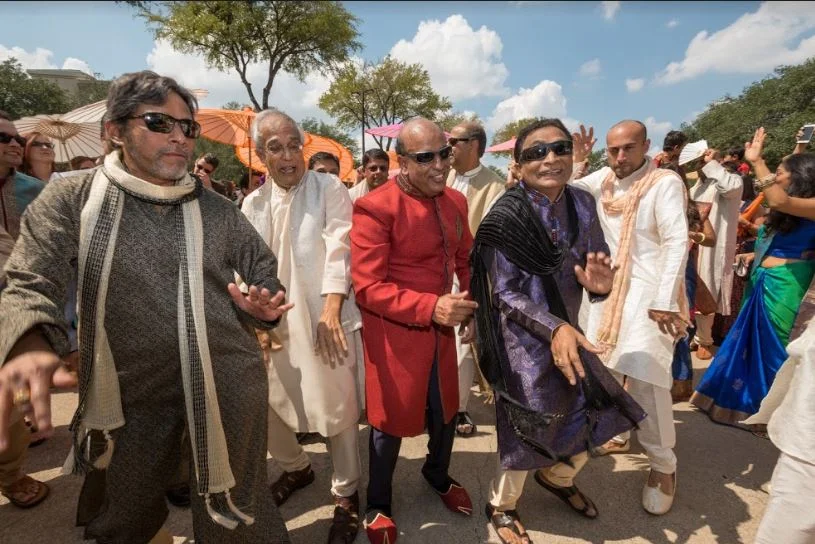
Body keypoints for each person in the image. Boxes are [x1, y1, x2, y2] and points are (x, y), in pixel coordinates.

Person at [0, 71, 293, 543]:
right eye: (159, 122)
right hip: (127, 394)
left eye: (187, 127)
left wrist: (266, 302)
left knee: (238, 509)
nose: (179, 136)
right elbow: (31, 279)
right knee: (127, 511)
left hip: (225, 381)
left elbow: (262, 266)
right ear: (114, 130)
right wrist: (30, 342)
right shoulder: (71, 197)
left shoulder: (216, 208)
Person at [471, 118, 645, 543]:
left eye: (559, 148)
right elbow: (505, 294)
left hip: (570, 330)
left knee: (593, 410)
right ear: (519, 163)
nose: (550, 158)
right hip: (520, 339)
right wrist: (554, 329)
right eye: (536, 152)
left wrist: (600, 289)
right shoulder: (506, 214)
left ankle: (558, 477)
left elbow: (596, 266)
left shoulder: (583, 204)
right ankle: (502, 505)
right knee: (528, 421)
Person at [351, 117, 475, 544]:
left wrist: (471, 308)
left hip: (444, 331)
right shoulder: (375, 206)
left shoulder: (456, 201)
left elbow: (465, 260)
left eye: (444, 153)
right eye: (426, 158)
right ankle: (378, 502)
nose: (440, 164)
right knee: (388, 425)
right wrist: (430, 307)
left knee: (445, 412)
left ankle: (437, 474)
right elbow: (367, 288)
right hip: (396, 334)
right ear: (400, 162)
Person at [241, 109, 363, 544]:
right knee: (270, 404)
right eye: (277, 147)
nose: (289, 155)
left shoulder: (328, 187)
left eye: (296, 145)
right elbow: (246, 268)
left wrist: (331, 309)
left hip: (323, 317)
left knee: (336, 407)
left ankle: (347, 493)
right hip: (274, 324)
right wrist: (254, 316)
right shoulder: (251, 204)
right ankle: (296, 468)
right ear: (260, 155)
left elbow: (340, 246)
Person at [571, 120, 689, 516]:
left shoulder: (664, 183)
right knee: (601, 369)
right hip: (607, 292)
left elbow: (676, 239)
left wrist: (666, 298)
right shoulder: (603, 179)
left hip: (651, 292)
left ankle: (663, 466)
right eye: (613, 150)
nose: (620, 157)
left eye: (628, 149)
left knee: (644, 375)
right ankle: (619, 431)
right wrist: (579, 161)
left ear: (646, 147)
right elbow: (568, 190)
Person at [691, 129, 815, 431]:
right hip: (761, 277)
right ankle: (735, 404)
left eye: (781, 173)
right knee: (745, 343)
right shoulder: (789, 207)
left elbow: (779, 199)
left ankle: (771, 415)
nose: (776, 175)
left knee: (773, 346)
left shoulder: (808, 205)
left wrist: (757, 162)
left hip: (786, 284)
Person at [0, 110, 51, 510]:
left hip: (16, 314)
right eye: (4, 138)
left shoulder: (33, 190)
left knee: (12, 400)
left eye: (17, 138)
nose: (14, 144)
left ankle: (11, 474)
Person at [447, 121, 506, 437]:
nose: (449, 146)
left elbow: (491, 242)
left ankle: (457, 410)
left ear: (474, 145)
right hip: (433, 275)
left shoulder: (494, 188)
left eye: (455, 140)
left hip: (467, 276)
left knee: (460, 348)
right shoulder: (441, 177)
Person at [684, 148, 743, 360]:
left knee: (707, 292)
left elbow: (728, 187)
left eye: (700, 162)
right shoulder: (696, 188)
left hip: (712, 247)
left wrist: (712, 163)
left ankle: (705, 340)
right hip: (693, 246)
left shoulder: (731, 182)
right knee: (692, 292)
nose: (697, 167)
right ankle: (693, 336)